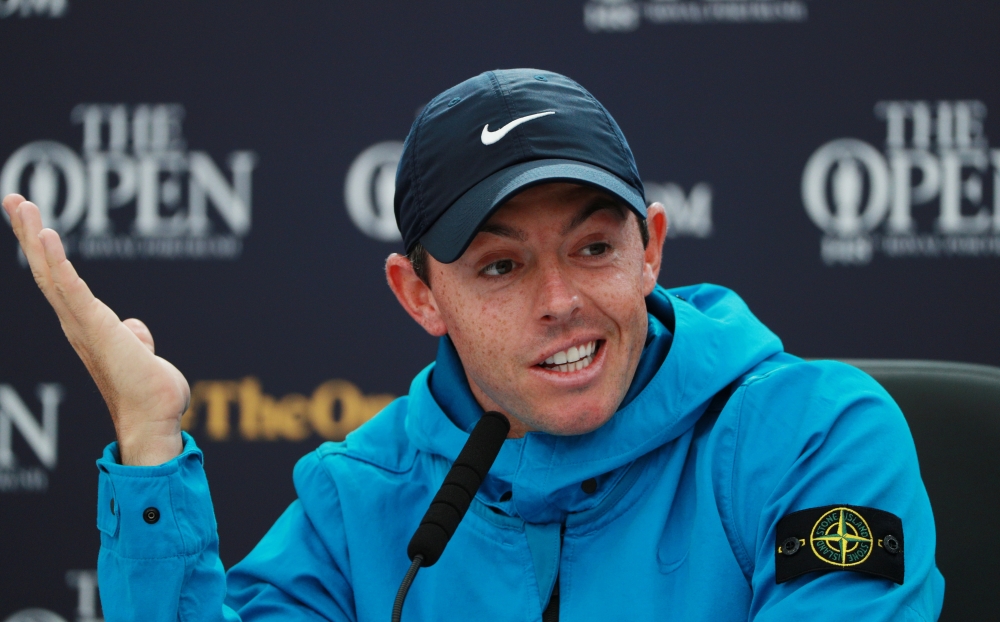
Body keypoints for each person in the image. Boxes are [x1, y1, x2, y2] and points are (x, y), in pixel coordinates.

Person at [3, 69, 944, 621]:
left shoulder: (820, 436)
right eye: (500, 269)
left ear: (651, 249)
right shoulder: (356, 500)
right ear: (420, 295)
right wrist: (149, 440)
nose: (562, 301)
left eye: (594, 247)